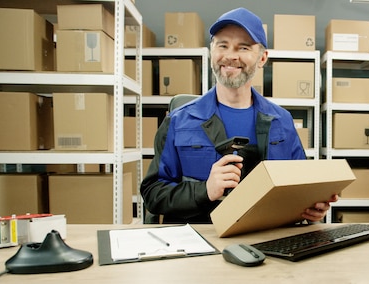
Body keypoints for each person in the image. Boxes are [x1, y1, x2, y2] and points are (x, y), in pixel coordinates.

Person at [141, 7, 337, 224]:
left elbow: (300, 186)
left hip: (268, 240)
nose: (230, 56)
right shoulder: (178, 121)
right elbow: (152, 193)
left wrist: (311, 209)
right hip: (202, 240)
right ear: (211, 52)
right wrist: (204, 190)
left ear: (262, 58)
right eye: (222, 45)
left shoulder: (281, 121)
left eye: (243, 47)